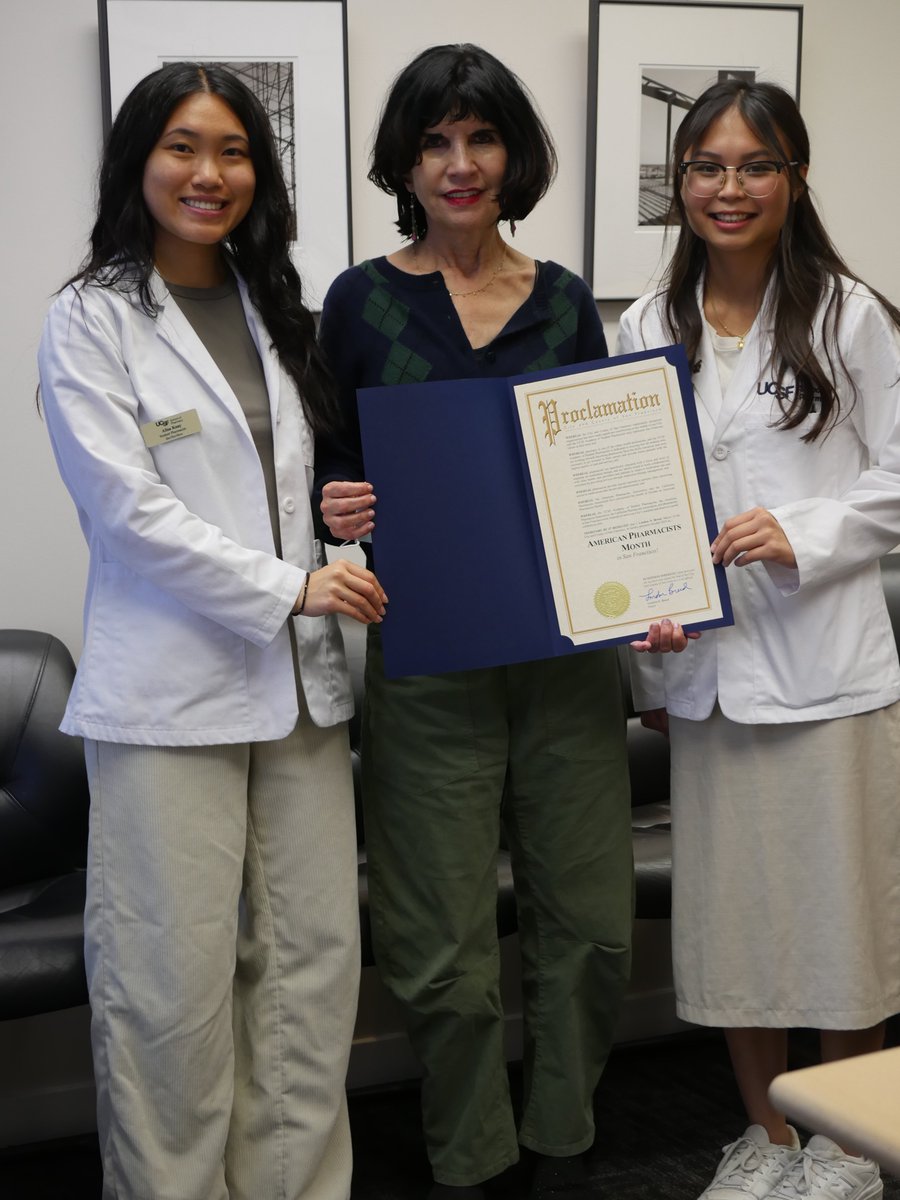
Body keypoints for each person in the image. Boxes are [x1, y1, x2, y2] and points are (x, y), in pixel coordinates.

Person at [316, 42, 689, 1200]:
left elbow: (612, 482)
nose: (461, 164)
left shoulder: (569, 300)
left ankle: (565, 1144)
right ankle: (471, 1160)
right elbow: (329, 475)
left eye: (481, 139)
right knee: (440, 945)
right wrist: (340, 505)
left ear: (513, 156)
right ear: (407, 162)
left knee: (589, 924)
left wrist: (656, 582)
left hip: (564, 662)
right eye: (436, 141)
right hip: (427, 662)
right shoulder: (358, 300)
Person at [37, 62, 386, 1200]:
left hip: (297, 697)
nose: (209, 173)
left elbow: (292, 489)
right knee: (168, 983)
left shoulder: (274, 304)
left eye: (234, 151)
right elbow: (130, 515)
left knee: (309, 972)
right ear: (139, 160)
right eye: (183, 147)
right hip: (171, 700)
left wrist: (339, 528)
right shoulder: (91, 319)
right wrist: (292, 587)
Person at [619, 79, 900, 1200]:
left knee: (841, 919)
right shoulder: (645, 327)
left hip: (829, 666)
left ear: (793, 178)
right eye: (707, 167)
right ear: (679, 182)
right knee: (732, 923)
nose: (728, 189)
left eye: (755, 166)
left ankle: (843, 1143)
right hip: (708, 674)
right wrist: (643, 655)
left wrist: (804, 530)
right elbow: (631, 507)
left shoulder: (849, 315)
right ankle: (767, 1142)